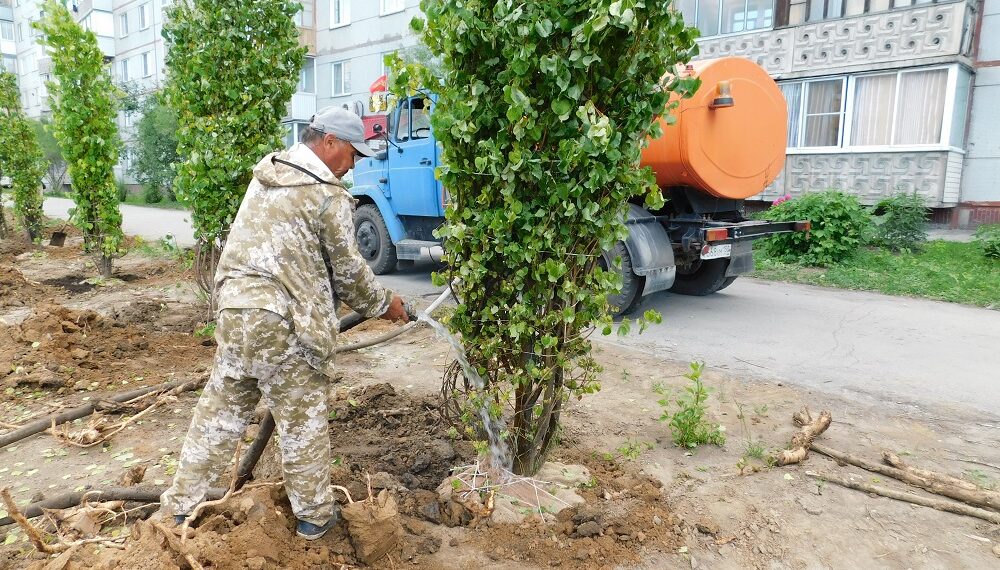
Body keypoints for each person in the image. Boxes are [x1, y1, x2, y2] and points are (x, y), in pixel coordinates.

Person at [161, 107, 408, 540]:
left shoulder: (266, 176)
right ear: (329, 142)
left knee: (219, 415)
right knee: (302, 420)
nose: (353, 166)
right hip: (282, 321)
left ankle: (179, 509)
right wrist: (385, 302)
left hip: (234, 311)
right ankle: (314, 518)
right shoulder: (324, 194)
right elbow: (349, 273)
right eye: (353, 154)